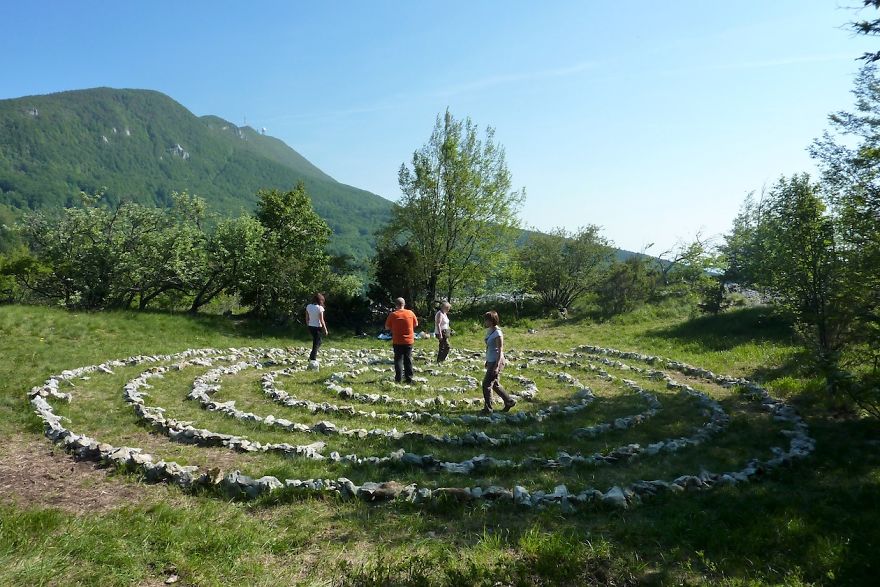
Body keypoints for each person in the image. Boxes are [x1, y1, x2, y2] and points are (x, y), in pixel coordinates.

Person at [481, 310, 515, 415]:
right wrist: (487, 360)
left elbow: (500, 351)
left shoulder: (498, 333)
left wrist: (496, 366)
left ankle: (488, 408)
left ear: (491, 321)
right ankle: (509, 401)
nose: (484, 322)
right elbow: (489, 347)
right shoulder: (490, 330)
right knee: (494, 384)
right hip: (491, 360)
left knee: (486, 384)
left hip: (497, 361)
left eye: (486, 320)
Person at [385, 297, 418, 384]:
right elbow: (416, 324)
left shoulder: (393, 315)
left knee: (398, 360)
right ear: (404, 304)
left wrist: (394, 327)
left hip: (397, 341)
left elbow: (387, 327)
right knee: (408, 359)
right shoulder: (410, 313)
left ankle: (398, 379)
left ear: (396, 305)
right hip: (409, 341)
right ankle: (409, 379)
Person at [305, 293, 328, 363]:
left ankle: (311, 357)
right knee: (317, 343)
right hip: (317, 327)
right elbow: (321, 320)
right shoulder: (320, 308)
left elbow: (306, 318)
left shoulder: (308, 306)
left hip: (310, 326)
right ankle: (312, 359)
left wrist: (308, 325)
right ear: (320, 300)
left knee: (318, 342)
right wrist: (325, 329)